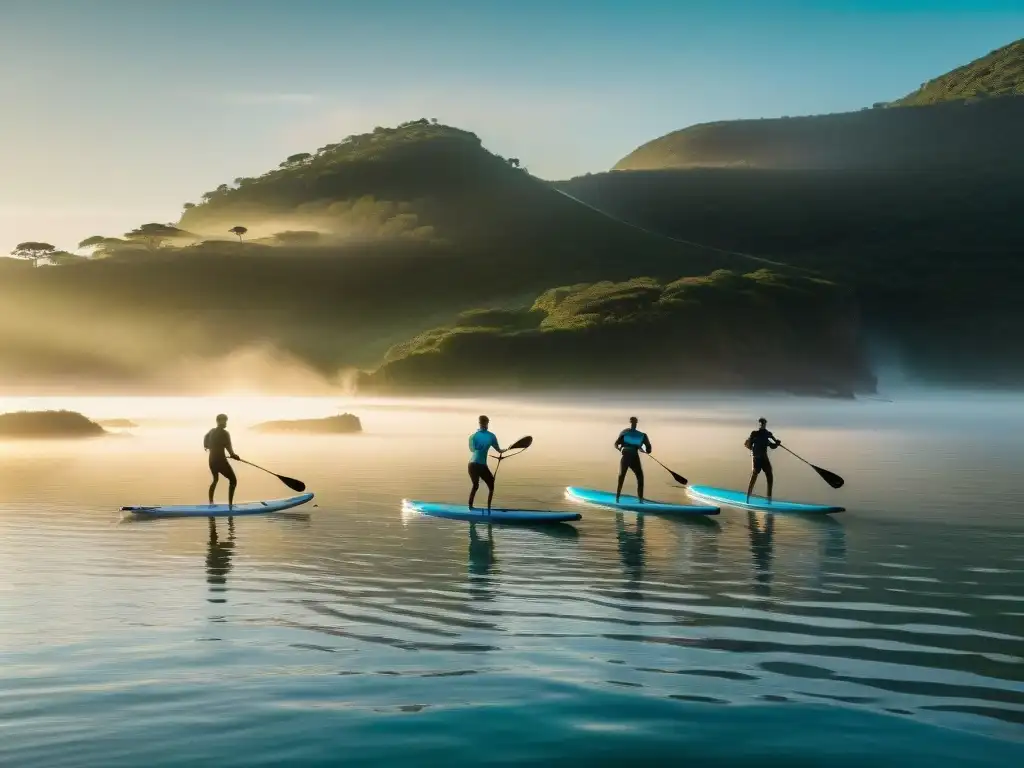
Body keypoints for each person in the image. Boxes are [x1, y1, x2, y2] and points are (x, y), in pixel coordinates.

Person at [468, 415, 504, 510]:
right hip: (480, 465)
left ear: (479, 423)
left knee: (475, 486)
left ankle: (470, 508)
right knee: (491, 485)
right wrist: (503, 451)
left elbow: (472, 450)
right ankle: (488, 510)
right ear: (487, 423)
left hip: (472, 465)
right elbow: (499, 450)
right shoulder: (491, 436)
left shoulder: (473, 436)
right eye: (485, 423)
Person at [204, 413, 240, 508]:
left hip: (211, 461)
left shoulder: (211, 431)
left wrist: (208, 447)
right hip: (220, 461)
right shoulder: (225, 433)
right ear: (219, 421)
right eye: (224, 421)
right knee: (233, 481)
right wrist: (235, 456)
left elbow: (206, 442)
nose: (226, 423)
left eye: (226, 420)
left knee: (215, 480)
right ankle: (230, 506)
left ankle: (211, 503)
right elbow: (231, 452)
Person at [615, 416, 652, 503]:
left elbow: (616, 444)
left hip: (629, 457)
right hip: (631, 457)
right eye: (634, 422)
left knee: (623, 477)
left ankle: (618, 498)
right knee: (637, 477)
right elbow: (649, 450)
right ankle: (639, 500)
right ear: (635, 423)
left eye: (633, 422)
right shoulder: (639, 435)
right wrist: (642, 448)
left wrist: (620, 449)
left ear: (632, 422)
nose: (633, 424)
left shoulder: (629, 433)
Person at [745, 417, 781, 503]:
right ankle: (748, 498)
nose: (761, 425)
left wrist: (777, 443)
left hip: (764, 458)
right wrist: (751, 444)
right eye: (760, 423)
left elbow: (773, 445)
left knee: (770, 475)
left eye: (763, 423)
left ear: (765, 424)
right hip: (756, 458)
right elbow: (748, 444)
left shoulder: (768, 434)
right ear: (759, 424)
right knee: (754, 476)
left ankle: (769, 498)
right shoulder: (754, 433)